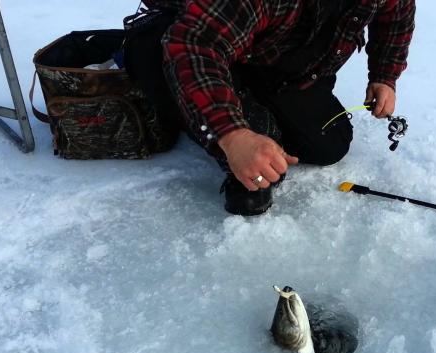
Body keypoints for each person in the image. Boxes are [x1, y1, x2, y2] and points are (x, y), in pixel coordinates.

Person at [144, 0, 415, 215]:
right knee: (256, 167)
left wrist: (384, 76)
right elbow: (195, 44)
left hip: (277, 59)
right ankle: (152, 65)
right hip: (193, 37)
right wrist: (233, 135)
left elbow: (397, 13)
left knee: (327, 144)